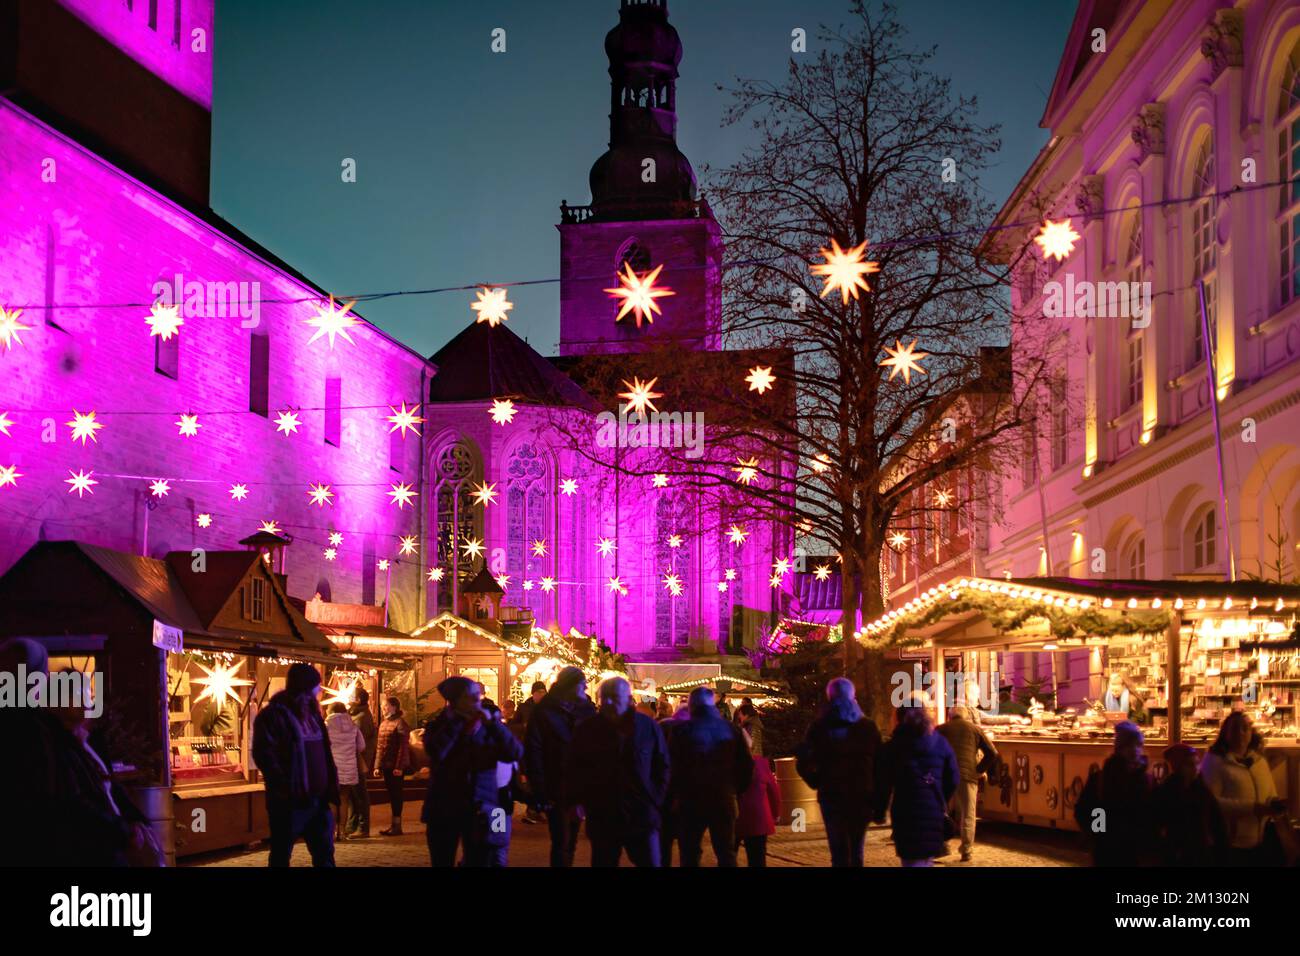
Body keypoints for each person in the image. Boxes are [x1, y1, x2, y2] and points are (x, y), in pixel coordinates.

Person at [421, 677, 524, 867]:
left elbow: (515, 752)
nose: (479, 702)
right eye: (473, 697)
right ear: (457, 700)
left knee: (481, 861)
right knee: (442, 860)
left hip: (481, 808)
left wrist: (494, 726)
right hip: (444, 807)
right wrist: (459, 723)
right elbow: (437, 751)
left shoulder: (489, 727)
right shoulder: (439, 725)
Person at [568, 677, 670, 867]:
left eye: (614, 697)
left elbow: (662, 764)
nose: (608, 702)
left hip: (641, 813)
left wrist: (655, 798)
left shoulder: (647, 727)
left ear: (628, 698)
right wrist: (579, 800)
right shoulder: (588, 729)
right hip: (604, 813)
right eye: (605, 697)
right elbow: (576, 768)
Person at [252, 663, 339, 867]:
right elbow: (264, 755)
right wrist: (284, 788)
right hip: (290, 803)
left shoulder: (314, 716)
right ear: (305, 688)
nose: (318, 692)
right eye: (316, 687)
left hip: (318, 800)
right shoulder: (273, 716)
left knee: (325, 854)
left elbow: (325, 754)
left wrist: (330, 788)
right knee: (282, 855)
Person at [796, 677, 882, 867]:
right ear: (853, 696)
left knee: (839, 851)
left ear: (829, 696)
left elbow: (803, 761)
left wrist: (816, 780)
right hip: (862, 795)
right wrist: (878, 799)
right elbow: (880, 765)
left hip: (832, 795)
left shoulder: (820, 727)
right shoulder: (867, 726)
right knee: (857, 849)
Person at [668, 686, 754, 867]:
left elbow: (672, 766)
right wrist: (736, 790)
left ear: (692, 705)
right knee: (726, 852)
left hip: (690, 798)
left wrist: (674, 795)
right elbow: (746, 765)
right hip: (723, 796)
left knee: (690, 851)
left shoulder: (681, 731)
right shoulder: (732, 730)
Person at [525, 666, 596, 866]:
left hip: (581, 785)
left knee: (571, 839)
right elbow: (534, 751)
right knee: (562, 840)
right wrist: (540, 789)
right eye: (582, 685)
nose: (585, 689)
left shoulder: (586, 710)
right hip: (556, 785)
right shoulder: (544, 711)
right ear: (571, 686)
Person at [874, 702, 958, 867]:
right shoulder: (940, 743)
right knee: (927, 860)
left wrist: (879, 811)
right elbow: (953, 777)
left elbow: (882, 782)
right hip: (933, 813)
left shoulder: (893, 747)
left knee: (912, 861)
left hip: (905, 813)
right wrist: (940, 799)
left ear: (899, 719)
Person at [1199, 712, 1286, 866]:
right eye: (1235, 729)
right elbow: (1210, 802)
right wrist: (1252, 808)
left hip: (1260, 841)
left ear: (1252, 733)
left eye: (1245, 728)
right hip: (1229, 844)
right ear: (1225, 733)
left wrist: (1274, 804)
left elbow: (1270, 793)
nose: (1241, 733)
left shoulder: (1259, 761)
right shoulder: (1215, 762)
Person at [1073, 721, 1153, 866]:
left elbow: (1151, 812)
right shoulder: (1102, 778)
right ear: (1119, 749)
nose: (1135, 750)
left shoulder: (1146, 779)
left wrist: (1145, 836)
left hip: (1135, 849)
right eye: (1129, 745)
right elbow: (1090, 808)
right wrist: (1100, 834)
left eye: (1138, 745)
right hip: (1108, 848)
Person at [937, 704, 999, 862]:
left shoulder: (940, 729)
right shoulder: (974, 729)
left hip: (945, 776)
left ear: (950, 716)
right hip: (967, 775)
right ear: (965, 716)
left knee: (940, 810)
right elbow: (992, 752)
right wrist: (979, 770)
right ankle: (966, 850)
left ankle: (940, 844)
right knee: (968, 814)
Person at [1152, 743, 1227, 866]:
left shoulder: (1201, 789)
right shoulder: (1168, 792)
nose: (1195, 768)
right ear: (1177, 767)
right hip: (1180, 853)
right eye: (1189, 764)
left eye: (1196, 763)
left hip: (1199, 852)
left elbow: (1216, 820)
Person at [735, 739, 780, 867]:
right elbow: (773, 791)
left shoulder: (725, 764)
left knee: (727, 857)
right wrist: (776, 813)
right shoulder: (760, 763)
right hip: (757, 818)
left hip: (733, 817)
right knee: (757, 858)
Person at [326, 702, 367, 841]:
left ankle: (331, 833)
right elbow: (361, 746)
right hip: (348, 768)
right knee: (344, 799)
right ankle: (342, 832)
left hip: (332, 768)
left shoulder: (327, 726)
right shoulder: (353, 726)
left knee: (331, 800)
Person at [374, 696, 412, 836]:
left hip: (395, 766)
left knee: (396, 794)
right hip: (387, 765)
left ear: (394, 707)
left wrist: (399, 767)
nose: (383, 709)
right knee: (391, 794)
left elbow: (403, 747)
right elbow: (379, 747)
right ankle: (394, 825)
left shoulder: (400, 723)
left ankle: (397, 825)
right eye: (383, 706)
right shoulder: (384, 724)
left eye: (386, 706)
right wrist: (377, 766)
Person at [348, 688, 377, 837]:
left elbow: (358, 743)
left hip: (359, 762)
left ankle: (362, 827)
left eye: (351, 695)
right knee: (353, 796)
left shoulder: (361, 718)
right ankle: (352, 826)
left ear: (358, 700)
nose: (348, 697)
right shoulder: (356, 715)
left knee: (359, 795)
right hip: (354, 761)